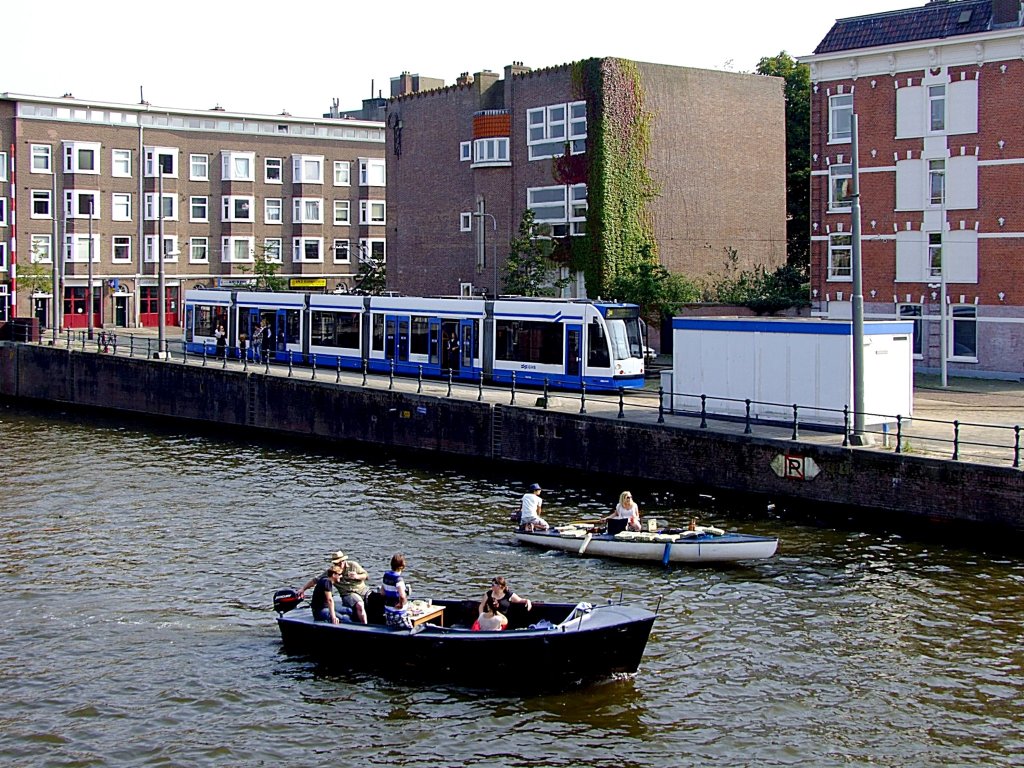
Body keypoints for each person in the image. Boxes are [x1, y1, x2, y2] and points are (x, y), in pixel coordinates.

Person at [335, 556, 371, 624]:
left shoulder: (353, 565)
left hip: (362, 590)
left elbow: (366, 576)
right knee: (359, 604)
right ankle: (364, 625)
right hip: (348, 593)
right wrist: (307, 588)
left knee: (377, 599)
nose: (339, 565)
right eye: (337, 563)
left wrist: (357, 576)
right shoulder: (333, 571)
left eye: (341, 562)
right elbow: (316, 580)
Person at [381, 553, 412, 630]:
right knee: (409, 630)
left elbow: (382, 592)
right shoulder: (398, 579)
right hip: (398, 613)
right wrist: (401, 604)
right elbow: (402, 595)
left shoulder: (386, 576)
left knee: (391, 629)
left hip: (388, 611)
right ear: (402, 566)